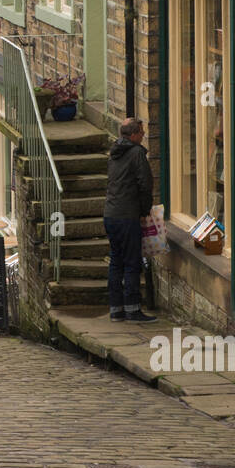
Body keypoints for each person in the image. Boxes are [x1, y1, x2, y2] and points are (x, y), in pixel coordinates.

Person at [104, 117, 157, 323]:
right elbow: (145, 185)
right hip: (127, 215)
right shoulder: (136, 154)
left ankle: (116, 309)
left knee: (116, 261)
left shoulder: (114, 152)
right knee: (132, 262)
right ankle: (133, 310)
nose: (143, 137)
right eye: (142, 134)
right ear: (134, 134)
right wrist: (144, 211)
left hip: (110, 214)